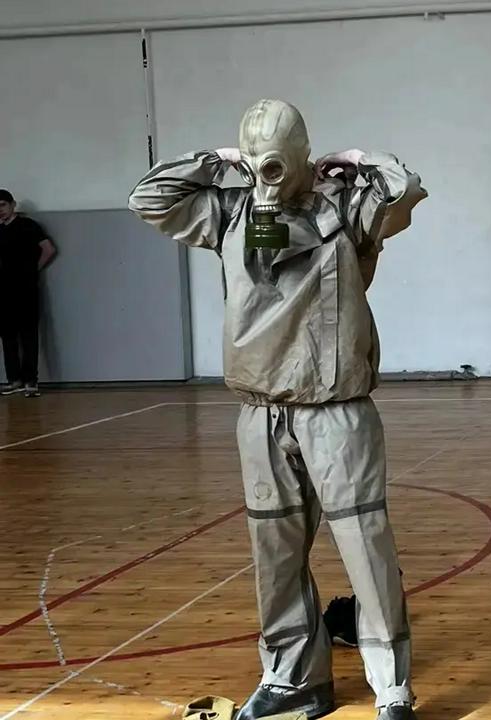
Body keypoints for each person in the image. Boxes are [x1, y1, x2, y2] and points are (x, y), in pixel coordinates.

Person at [128, 99, 427, 720]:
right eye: (257, 155)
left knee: (365, 548)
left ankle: (391, 687)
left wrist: (357, 161)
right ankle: (294, 679)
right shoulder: (231, 211)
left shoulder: (346, 209)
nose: (268, 169)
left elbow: (403, 192)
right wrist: (217, 160)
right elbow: (148, 199)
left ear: (301, 156)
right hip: (262, 412)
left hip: (336, 410)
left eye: (276, 157)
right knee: (276, 556)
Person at [0, 189, 57, 398]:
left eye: (2, 205)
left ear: (12, 205)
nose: (0, 211)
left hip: (26, 289)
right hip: (4, 290)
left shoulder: (28, 226)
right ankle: (14, 380)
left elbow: (48, 249)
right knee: (7, 337)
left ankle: (31, 381)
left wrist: (33, 270)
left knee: (29, 335)